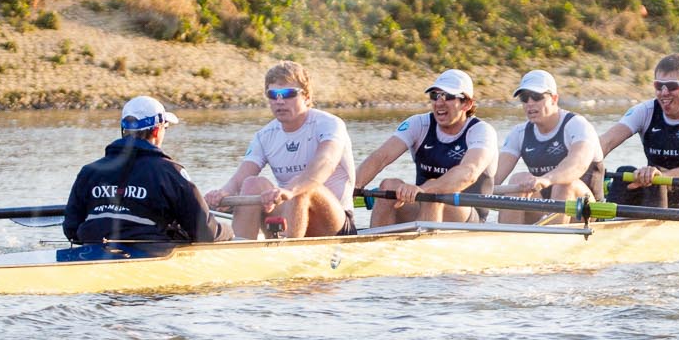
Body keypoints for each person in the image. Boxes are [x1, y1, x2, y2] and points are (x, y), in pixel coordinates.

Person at [203, 61, 356, 239]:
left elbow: (326, 162)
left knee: (304, 188)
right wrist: (224, 193)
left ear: (306, 97)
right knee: (252, 183)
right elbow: (241, 176)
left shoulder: (329, 124)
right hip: (293, 213)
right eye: (273, 94)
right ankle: (241, 252)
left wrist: (291, 189)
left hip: (335, 223)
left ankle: (289, 255)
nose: (279, 101)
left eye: (288, 94)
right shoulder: (264, 135)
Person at [64, 96, 226, 247]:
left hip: (94, 254)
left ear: (124, 130)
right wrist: (228, 231)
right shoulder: (170, 173)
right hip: (149, 258)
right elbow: (206, 233)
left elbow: (71, 229)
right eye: (166, 128)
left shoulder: (89, 171)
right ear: (156, 131)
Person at [353, 69, 500, 226]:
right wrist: (354, 186)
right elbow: (381, 157)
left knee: (434, 193)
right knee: (388, 187)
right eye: (435, 95)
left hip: (468, 216)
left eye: (448, 96)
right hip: (423, 203)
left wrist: (424, 189)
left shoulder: (481, 131)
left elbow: (468, 173)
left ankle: (424, 243)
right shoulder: (419, 124)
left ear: (467, 103)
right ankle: (377, 245)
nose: (439, 102)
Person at [598, 54, 679, 208]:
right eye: (659, 86)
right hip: (657, 191)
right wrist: (580, 164)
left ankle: (651, 223)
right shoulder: (645, 111)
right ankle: (612, 226)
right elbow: (605, 142)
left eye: (672, 86)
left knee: (657, 179)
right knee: (625, 173)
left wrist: (663, 176)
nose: (664, 93)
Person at [490, 69, 604, 223]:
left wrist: (546, 179)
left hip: (587, 210)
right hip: (546, 211)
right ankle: (507, 240)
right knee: (518, 179)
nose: (530, 103)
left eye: (537, 97)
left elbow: (577, 165)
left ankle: (552, 240)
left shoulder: (577, 125)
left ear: (554, 99)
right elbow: (493, 178)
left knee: (565, 184)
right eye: (524, 98)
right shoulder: (519, 133)